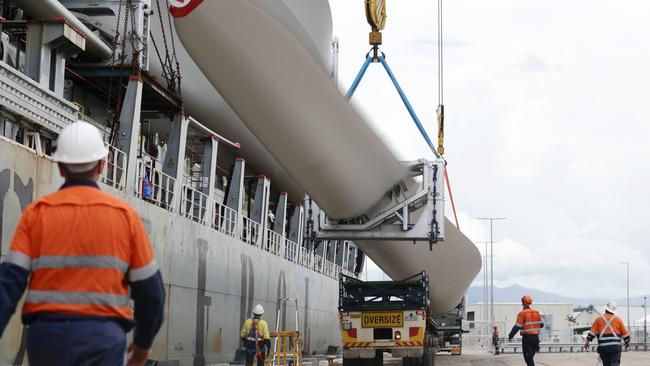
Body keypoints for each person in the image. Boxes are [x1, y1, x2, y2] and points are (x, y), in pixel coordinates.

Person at [0, 120, 166, 366]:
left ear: (61, 167)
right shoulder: (125, 217)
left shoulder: (37, 214)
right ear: (102, 165)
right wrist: (142, 346)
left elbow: (8, 285)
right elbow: (151, 293)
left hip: (47, 339)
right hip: (103, 340)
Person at [584, 302, 630, 366]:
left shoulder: (598, 319)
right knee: (615, 364)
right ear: (614, 311)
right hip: (615, 348)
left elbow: (592, 333)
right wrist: (627, 342)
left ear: (605, 309)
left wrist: (587, 342)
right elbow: (625, 333)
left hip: (603, 348)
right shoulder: (618, 319)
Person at [508, 295, 544, 366]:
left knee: (528, 360)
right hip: (536, 339)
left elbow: (517, 326)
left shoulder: (522, 313)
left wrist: (511, 335)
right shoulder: (536, 312)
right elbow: (542, 325)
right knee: (530, 359)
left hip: (527, 339)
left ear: (523, 303)